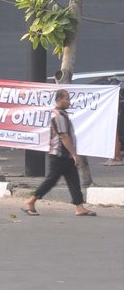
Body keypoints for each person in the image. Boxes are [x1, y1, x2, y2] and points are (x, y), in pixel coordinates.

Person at [22, 89, 96, 217]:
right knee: (51, 180)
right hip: (59, 155)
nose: (69, 101)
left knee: (74, 180)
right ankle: (31, 200)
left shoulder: (63, 114)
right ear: (59, 99)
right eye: (66, 98)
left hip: (65, 155)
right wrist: (74, 154)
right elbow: (63, 137)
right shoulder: (58, 116)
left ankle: (79, 207)